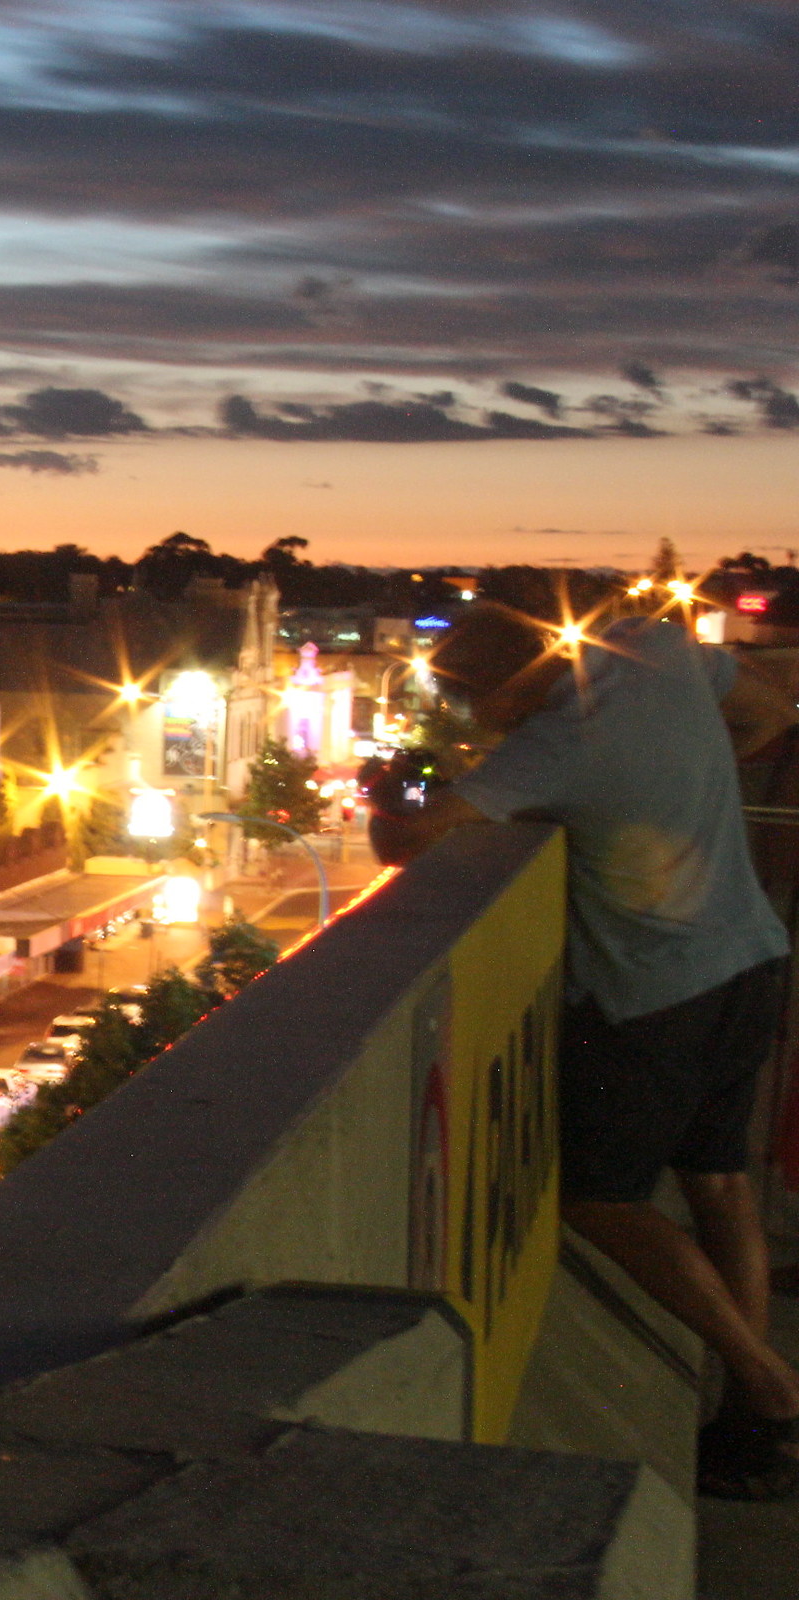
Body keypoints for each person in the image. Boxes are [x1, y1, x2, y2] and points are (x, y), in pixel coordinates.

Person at [370, 599, 799, 1499]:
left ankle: (762, 1376)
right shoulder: (654, 649)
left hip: (655, 994)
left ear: (498, 693)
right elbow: (770, 713)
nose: (463, 723)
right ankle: (752, 1428)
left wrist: (399, 786)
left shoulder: (552, 746)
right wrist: (692, 775)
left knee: (599, 1195)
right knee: (718, 1182)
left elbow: (404, 840)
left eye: (464, 704)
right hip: (751, 955)